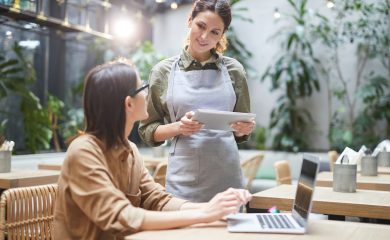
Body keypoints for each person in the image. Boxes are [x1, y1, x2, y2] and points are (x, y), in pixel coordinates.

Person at [53, 59, 252, 239]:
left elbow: (157, 200)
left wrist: (213, 207)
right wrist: (203, 214)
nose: (147, 93)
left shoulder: (129, 150)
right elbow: (122, 215)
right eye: (142, 88)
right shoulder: (84, 152)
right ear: (129, 104)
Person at [139, 0, 256, 202]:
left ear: (222, 34)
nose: (204, 37)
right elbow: (148, 130)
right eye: (201, 26)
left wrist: (243, 129)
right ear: (190, 20)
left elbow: (240, 130)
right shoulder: (163, 72)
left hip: (227, 179)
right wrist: (178, 128)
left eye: (214, 32)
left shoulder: (235, 71)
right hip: (183, 181)